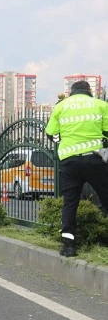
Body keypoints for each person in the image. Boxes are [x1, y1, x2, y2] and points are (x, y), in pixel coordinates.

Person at [45, 80, 108, 257]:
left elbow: (51, 133)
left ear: (71, 92)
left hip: (69, 162)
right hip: (95, 159)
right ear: (89, 91)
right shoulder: (101, 105)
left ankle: (69, 246)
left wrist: (64, 141)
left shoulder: (60, 107)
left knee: (70, 204)